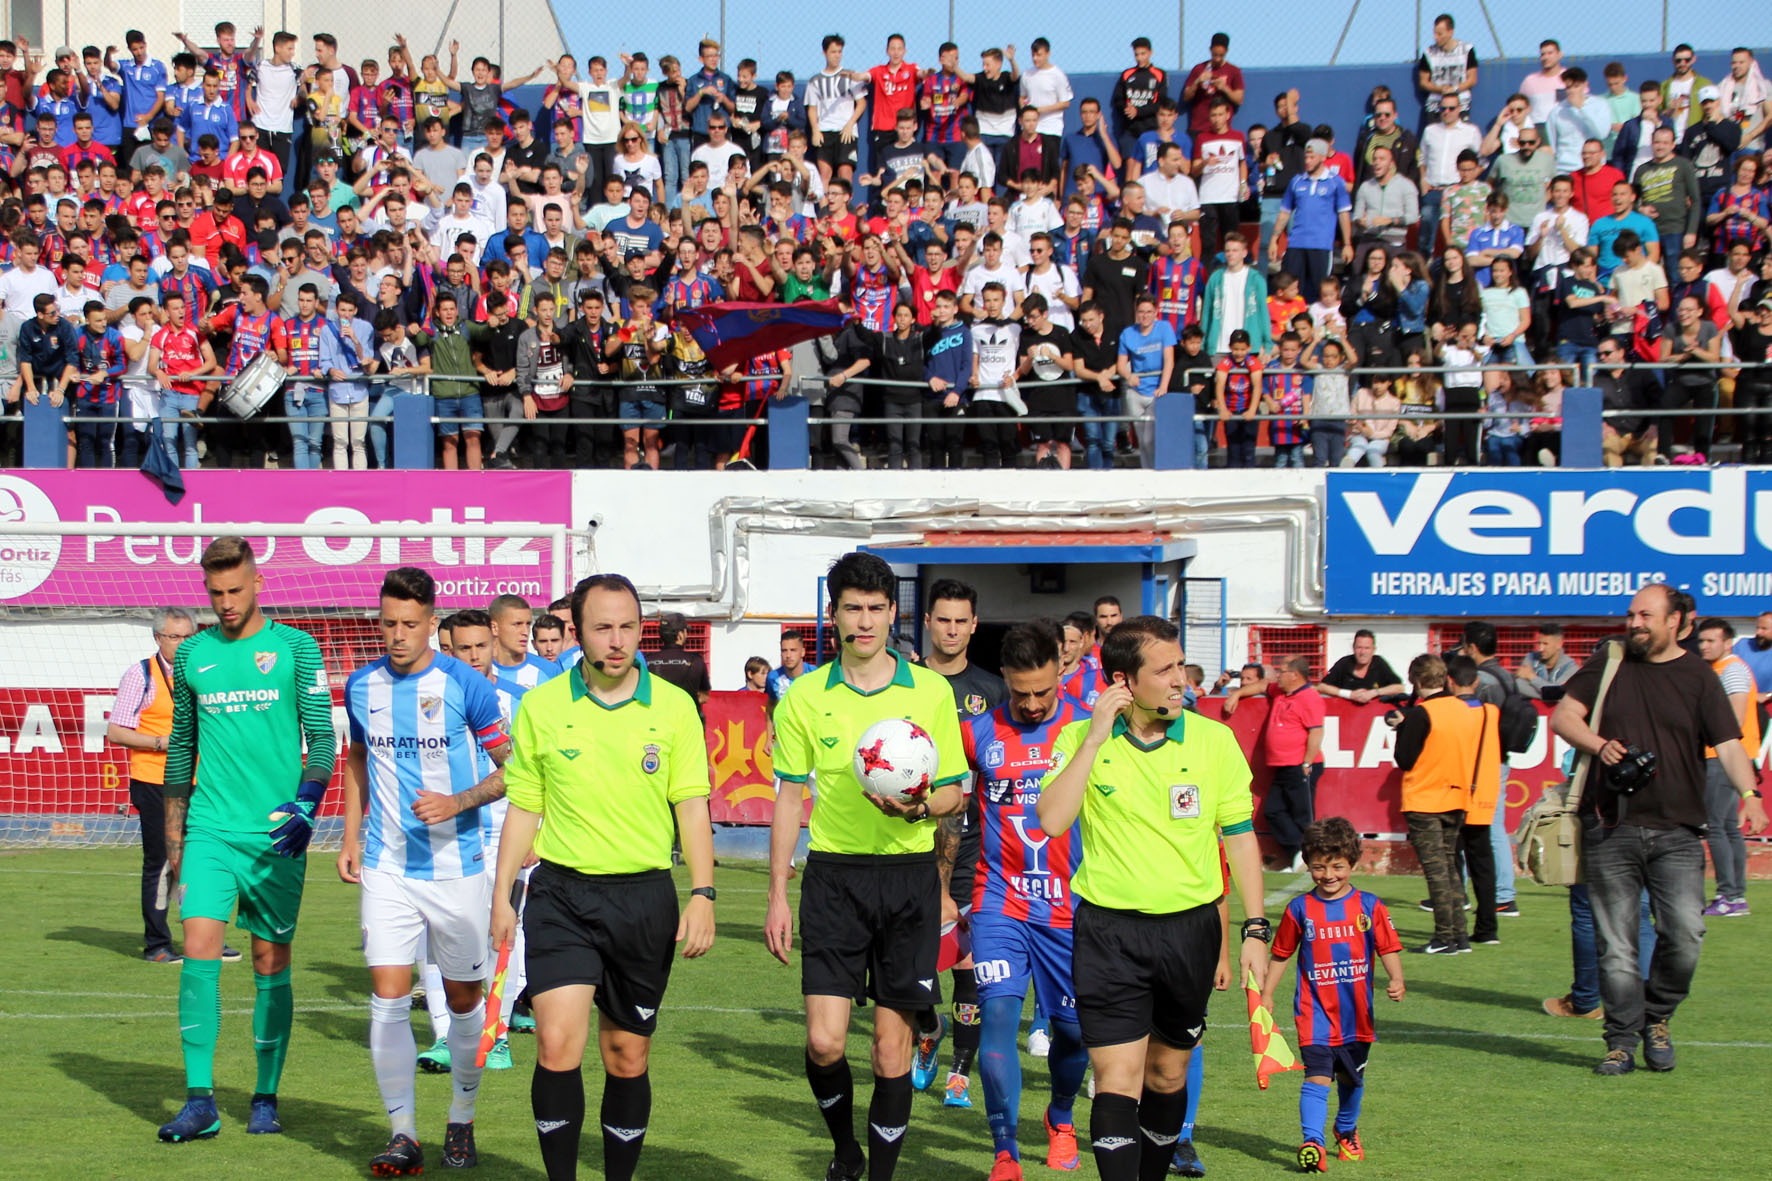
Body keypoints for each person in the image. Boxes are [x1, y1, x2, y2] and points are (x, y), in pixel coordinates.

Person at [492, 573, 715, 1181]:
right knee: (555, 1044)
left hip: (643, 899)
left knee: (626, 1055)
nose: (617, 641)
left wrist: (702, 892)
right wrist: (502, 894)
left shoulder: (674, 707)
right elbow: (524, 806)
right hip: (561, 896)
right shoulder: (542, 707)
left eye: (627, 627)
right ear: (577, 632)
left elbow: (692, 805)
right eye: (602, 628)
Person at [1035, 614, 1268, 1181]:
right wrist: (1094, 736)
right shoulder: (1079, 738)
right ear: (1124, 681)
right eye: (1164, 670)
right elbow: (1052, 820)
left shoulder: (1214, 741)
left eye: (1180, 665)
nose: (1180, 679)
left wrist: (1256, 929)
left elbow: (1239, 838)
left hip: (1190, 932)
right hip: (1108, 934)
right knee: (1116, 1079)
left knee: (1166, 1076)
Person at [765, 552, 969, 1181]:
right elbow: (789, 797)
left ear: (892, 614)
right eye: (852, 608)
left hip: (908, 879)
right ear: (833, 615)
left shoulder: (929, 691)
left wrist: (917, 807)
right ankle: (846, 1151)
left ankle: (876, 1173)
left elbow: (954, 792)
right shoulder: (804, 696)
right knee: (824, 1042)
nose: (864, 621)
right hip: (833, 879)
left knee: (889, 1051)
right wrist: (777, 893)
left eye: (876, 609)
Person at [157, 537, 338, 1142]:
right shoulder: (192, 653)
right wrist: (175, 836)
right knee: (198, 950)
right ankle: (200, 1101)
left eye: (235, 590)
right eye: (216, 593)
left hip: (275, 837)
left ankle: (265, 1095)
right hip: (209, 828)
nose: (226, 602)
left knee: (269, 962)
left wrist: (306, 804)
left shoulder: (296, 647)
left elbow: (323, 740)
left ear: (258, 582)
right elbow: (182, 745)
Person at [1551, 585, 1768, 1075]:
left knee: (1686, 933)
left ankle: (1658, 1015)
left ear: (1676, 622)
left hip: (1678, 830)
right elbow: (1564, 717)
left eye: (1646, 615)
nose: (1635, 623)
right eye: (1632, 615)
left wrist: (1751, 794)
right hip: (1610, 825)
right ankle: (1620, 1042)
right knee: (1616, 946)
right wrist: (1598, 744)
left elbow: (1728, 744)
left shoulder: (1698, 676)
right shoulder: (1609, 662)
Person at [338, 568, 513, 1175]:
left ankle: (461, 1117)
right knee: (388, 997)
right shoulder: (361, 686)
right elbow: (357, 758)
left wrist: (457, 802)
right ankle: (403, 1134)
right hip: (387, 866)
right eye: (388, 623)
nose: (398, 634)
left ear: (431, 623)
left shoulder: (467, 685)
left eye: (410, 624)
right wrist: (350, 835)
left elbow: (514, 770)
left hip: (456, 867)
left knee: (464, 1003)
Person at [957, 621, 1092, 1181]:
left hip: (1072, 908)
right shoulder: (978, 733)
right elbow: (951, 805)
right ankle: (1005, 1152)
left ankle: (1060, 1115)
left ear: (1062, 669)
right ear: (1004, 679)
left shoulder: (1089, 729)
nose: (1033, 704)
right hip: (1000, 901)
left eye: (1043, 690)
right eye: (1020, 693)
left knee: (1075, 1032)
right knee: (996, 1018)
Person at [1261, 818, 1404, 1174]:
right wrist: (1267, 994)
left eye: (1337, 866)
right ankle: (1313, 1142)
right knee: (1317, 1076)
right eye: (1318, 867)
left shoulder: (1369, 906)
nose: (1328, 875)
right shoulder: (1299, 909)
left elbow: (1387, 946)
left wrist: (1396, 979)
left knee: (1352, 1079)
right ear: (1308, 865)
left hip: (1357, 1015)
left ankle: (1346, 1129)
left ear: (1352, 863)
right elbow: (1281, 953)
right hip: (1314, 1013)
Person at [917, 579, 1007, 1109]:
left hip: (975, 847)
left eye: (961, 621)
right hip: (909, 843)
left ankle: (959, 1072)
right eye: (943, 619)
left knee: (966, 963)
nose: (951, 630)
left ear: (974, 626)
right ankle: (928, 1028)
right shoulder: (905, 681)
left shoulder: (992, 691)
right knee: (911, 965)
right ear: (927, 621)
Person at [105, 608, 208, 964]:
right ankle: (157, 944)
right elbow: (116, 731)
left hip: (201, 781)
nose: (182, 643)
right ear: (158, 638)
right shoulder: (141, 674)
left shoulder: (204, 671)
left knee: (204, 861)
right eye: (174, 637)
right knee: (162, 862)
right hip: (155, 782)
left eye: (188, 636)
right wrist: (163, 743)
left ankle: (205, 940)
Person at [1389, 654, 1474, 953]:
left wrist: (1402, 727)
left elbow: (1405, 759)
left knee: (1437, 872)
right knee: (1450, 868)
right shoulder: (1462, 709)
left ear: (1417, 681)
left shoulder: (1421, 714)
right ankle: (1459, 935)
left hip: (1426, 798)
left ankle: (1444, 937)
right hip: (1457, 795)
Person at [1695, 619, 1757, 919]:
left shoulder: (1731, 670)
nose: (1705, 646)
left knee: (1717, 826)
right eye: (1702, 641)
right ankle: (1735, 896)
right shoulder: (1719, 669)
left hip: (1723, 756)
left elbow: (1735, 717)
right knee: (1728, 827)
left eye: (1711, 641)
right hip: (1727, 755)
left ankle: (1728, 895)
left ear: (1728, 643)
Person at [489, 593, 561, 689]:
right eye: (517, 624)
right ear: (494, 628)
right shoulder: (478, 670)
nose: (525, 632)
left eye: (528, 624)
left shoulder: (549, 671)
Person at [1318, 630, 1405, 704]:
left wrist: (1374, 692)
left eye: (1367, 648)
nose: (1362, 652)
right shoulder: (1344, 663)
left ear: (1373, 650)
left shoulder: (1379, 663)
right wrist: (1349, 694)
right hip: (1345, 714)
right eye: (1359, 647)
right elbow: (1322, 687)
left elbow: (1399, 688)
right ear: (1353, 648)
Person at [647, 611, 711, 709]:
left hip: (657, 716)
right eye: (686, 631)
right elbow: (704, 697)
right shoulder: (696, 661)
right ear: (680, 635)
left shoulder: (647, 660)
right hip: (686, 715)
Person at [1516, 623, 1579, 699]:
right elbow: (1519, 685)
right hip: (1532, 706)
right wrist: (1549, 696)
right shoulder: (1530, 658)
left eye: (1545, 644)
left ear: (1559, 644)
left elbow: (1558, 694)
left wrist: (1532, 677)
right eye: (1539, 643)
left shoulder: (1571, 668)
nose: (1540, 649)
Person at [768, 630, 815, 706]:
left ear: (802, 652)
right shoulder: (772, 678)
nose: (788, 655)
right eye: (784, 650)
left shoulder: (814, 674)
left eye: (793, 650)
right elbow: (770, 707)